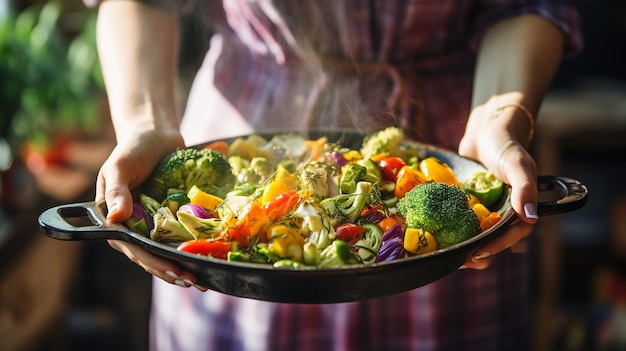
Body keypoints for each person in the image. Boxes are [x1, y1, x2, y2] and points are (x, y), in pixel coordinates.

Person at [89, 0, 582, 350]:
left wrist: (499, 122)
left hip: (455, 121)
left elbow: (525, 4)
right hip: (246, 117)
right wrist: (146, 126)